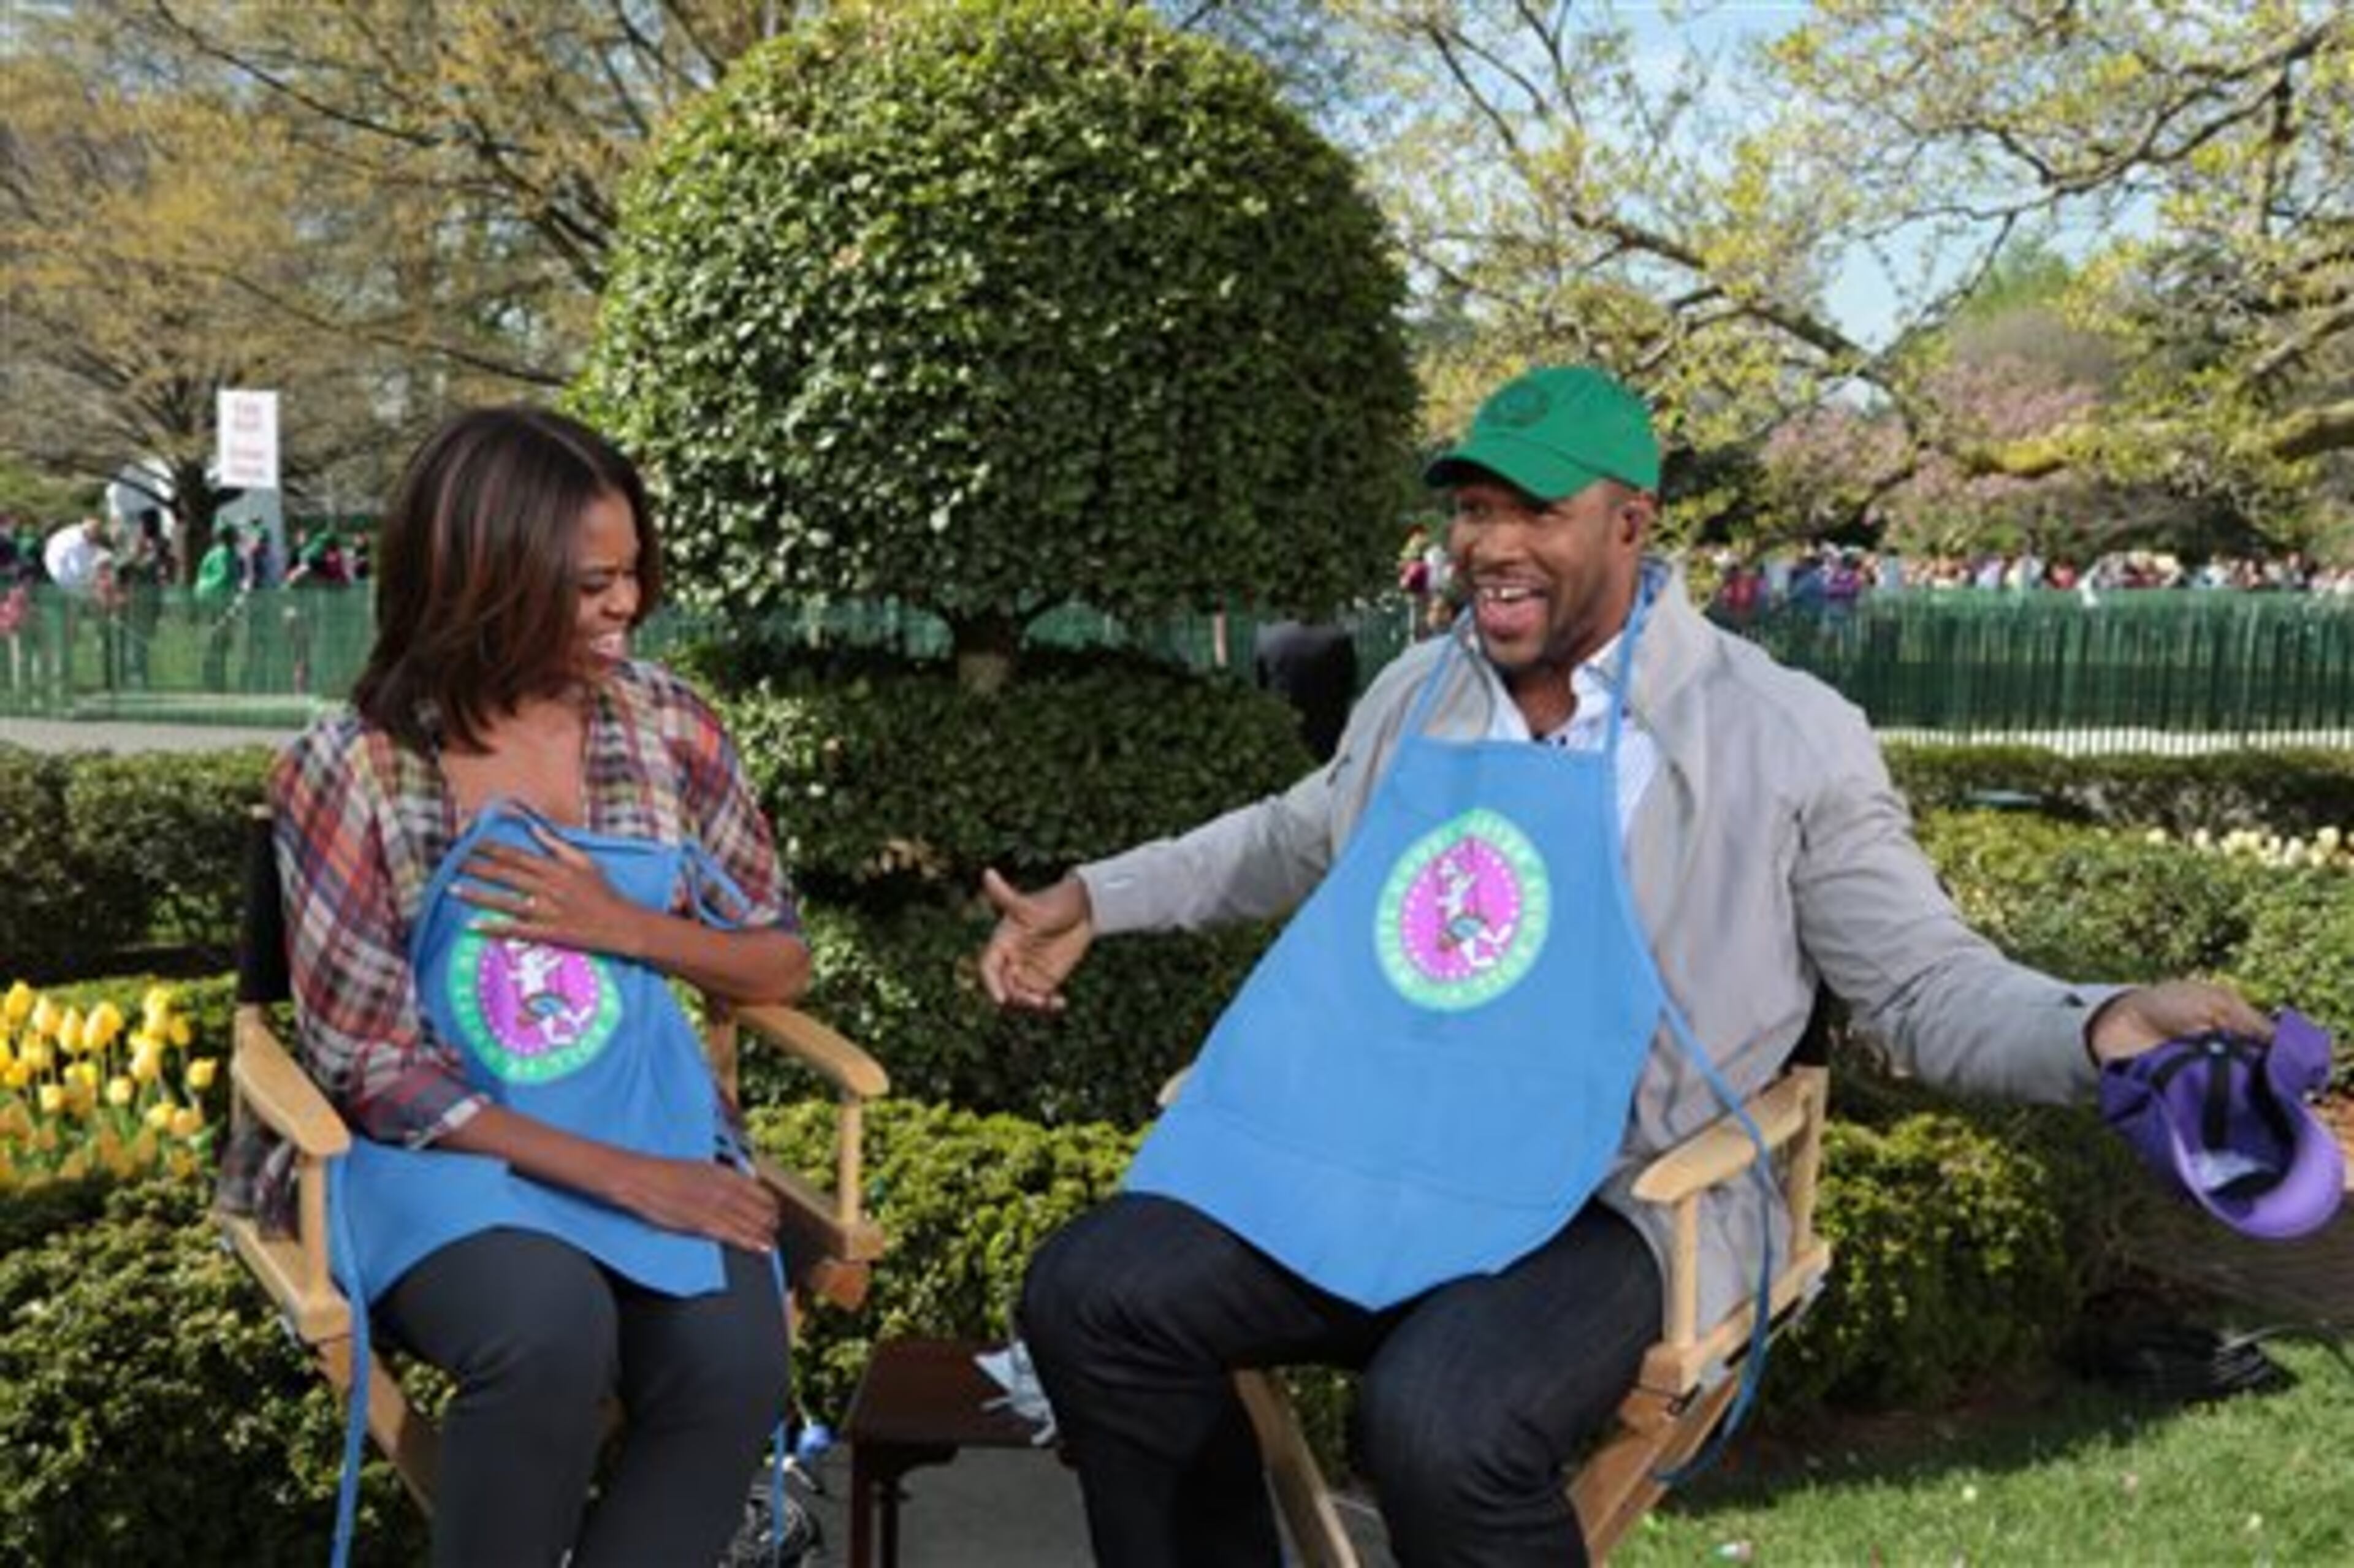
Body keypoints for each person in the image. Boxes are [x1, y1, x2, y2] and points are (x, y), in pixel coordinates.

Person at [978, 364, 2268, 1567]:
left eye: (1535, 509)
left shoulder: (1782, 735)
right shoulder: (1420, 693)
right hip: (1396, 1153)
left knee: (1440, 1422)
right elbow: (1297, 834)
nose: (1489, 542)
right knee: (1095, 1293)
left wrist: (2100, 1022)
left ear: (1632, 524)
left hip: (1625, 1195)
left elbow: (1923, 985)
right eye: (1474, 509)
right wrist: (1098, 895)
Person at [215, 406, 806, 1566]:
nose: (627, 606)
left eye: (634, 574)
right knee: (545, 1331)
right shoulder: (352, 767)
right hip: (427, 1156)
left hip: (642, 1117)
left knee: (734, 1360)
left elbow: (779, 956)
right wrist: (633, 1180)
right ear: (483, 578)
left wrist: (626, 927)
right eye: (592, 585)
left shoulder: (671, 726)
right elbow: (374, 1071)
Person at [1251, 618, 1359, 764]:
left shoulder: (1266, 635)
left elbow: (1261, 688)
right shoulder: (1339, 636)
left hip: (1284, 735)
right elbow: (1349, 687)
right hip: (1327, 735)